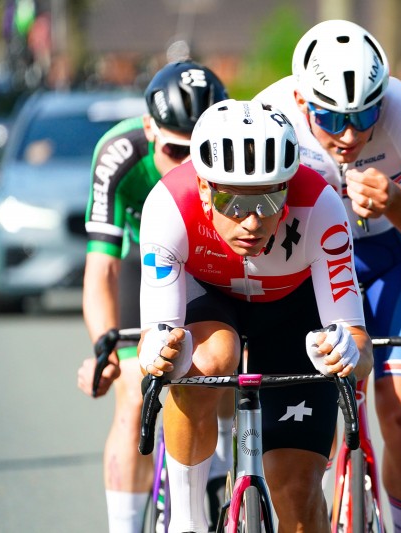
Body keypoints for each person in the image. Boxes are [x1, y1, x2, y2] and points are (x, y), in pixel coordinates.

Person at [255, 19, 401, 532]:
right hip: (310, 270)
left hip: (394, 264)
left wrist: (398, 203)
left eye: (365, 114)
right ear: (302, 103)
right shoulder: (271, 115)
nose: (350, 135)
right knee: (307, 440)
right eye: (330, 118)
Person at [137, 99, 373, 532]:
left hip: (293, 313)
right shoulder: (168, 205)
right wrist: (158, 350)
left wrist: (346, 351)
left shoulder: (320, 206)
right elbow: (155, 337)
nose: (251, 221)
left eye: (268, 199)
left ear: (287, 187)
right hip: (212, 300)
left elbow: (359, 344)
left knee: (299, 497)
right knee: (206, 359)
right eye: (233, 203)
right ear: (205, 189)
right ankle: (187, 519)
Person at [76, 60, 228, 532]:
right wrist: (105, 348)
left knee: (223, 377)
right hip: (146, 259)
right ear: (148, 128)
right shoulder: (120, 153)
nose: (187, 167)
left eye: (198, 153)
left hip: (208, 264)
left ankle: (219, 470)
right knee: (135, 396)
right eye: (174, 150)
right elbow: (101, 268)